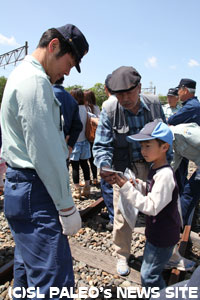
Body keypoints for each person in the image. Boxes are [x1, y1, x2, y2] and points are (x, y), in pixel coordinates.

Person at [1, 24, 89, 299]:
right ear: (53, 46)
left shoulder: (21, 75)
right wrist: (66, 207)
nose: (67, 72)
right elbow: (47, 152)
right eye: (69, 62)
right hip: (35, 189)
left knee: (27, 269)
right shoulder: (35, 82)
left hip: (20, 186)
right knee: (53, 282)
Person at [93, 66, 166, 275]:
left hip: (154, 168)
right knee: (123, 216)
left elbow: (165, 136)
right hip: (125, 171)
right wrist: (105, 167)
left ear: (139, 87)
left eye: (129, 93)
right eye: (119, 94)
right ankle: (122, 255)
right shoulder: (109, 109)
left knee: (160, 212)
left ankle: (165, 253)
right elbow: (102, 145)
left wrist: (166, 169)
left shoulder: (153, 105)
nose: (124, 98)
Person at [115, 120, 181, 290]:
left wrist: (127, 188)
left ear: (164, 147)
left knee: (148, 275)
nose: (142, 151)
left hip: (162, 235)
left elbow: (151, 207)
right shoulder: (156, 167)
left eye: (147, 146)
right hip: (158, 232)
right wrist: (138, 185)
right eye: (142, 146)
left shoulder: (165, 175)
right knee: (152, 266)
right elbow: (153, 190)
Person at [168, 79, 200, 226]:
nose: (177, 93)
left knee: (188, 192)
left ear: (185, 90)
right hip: (190, 149)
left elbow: (171, 120)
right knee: (186, 187)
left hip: (190, 147)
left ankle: (179, 225)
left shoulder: (191, 107)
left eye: (179, 90)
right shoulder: (191, 106)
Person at [53, 76, 83, 159]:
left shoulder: (46, 93)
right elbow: (77, 126)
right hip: (64, 144)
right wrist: (70, 145)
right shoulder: (71, 99)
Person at [70, 88, 91, 199]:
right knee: (85, 165)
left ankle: (77, 190)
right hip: (85, 141)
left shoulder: (73, 109)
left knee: (75, 167)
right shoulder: (86, 109)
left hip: (75, 142)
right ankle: (87, 188)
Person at [83, 90, 100, 185]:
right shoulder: (96, 107)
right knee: (92, 159)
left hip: (85, 135)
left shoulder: (85, 108)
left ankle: (87, 179)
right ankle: (95, 178)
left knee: (84, 160)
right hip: (94, 136)